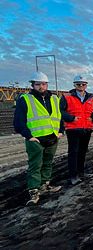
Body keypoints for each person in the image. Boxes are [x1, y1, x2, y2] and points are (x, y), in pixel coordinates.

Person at [14, 71, 63, 205]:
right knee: (35, 165)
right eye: (38, 84)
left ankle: (44, 185)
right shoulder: (25, 99)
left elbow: (60, 116)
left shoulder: (54, 98)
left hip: (52, 137)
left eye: (44, 84)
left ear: (47, 84)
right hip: (36, 139)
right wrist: (28, 136)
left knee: (48, 163)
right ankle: (34, 191)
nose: (41, 87)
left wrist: (61, 131)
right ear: (32, 85)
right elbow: (18, 121)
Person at [60, 75, 93, 185]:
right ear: (74, 85)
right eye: (78, 84)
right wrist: (71, 118)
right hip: (73, 129)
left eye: (83, 84)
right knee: (73, 152)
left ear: (86, 85)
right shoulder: (67, 97)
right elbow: (61, 111)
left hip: (86, 128)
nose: (81, 86)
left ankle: (81, 172)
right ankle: (73, 176)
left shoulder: (91, 98)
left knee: (82, 151)